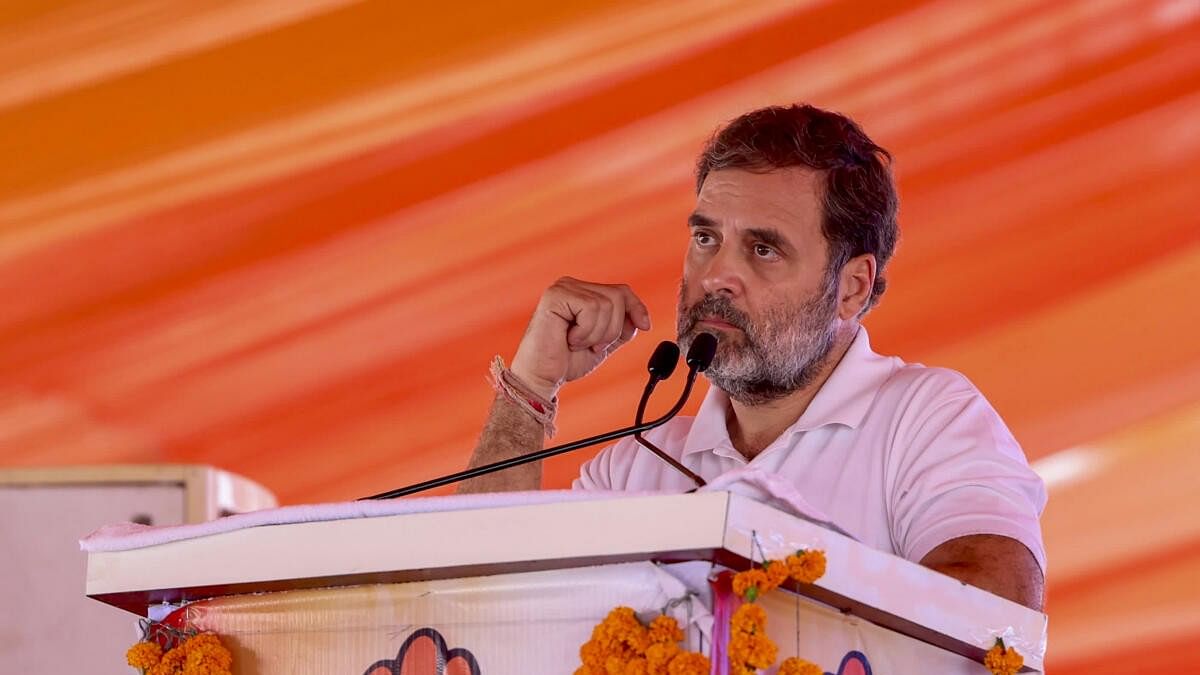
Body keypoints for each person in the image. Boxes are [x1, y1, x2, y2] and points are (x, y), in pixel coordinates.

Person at [460, 104, 1046, 610]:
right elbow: (480, 606)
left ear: (852, 288)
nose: (716, 277)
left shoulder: (925, 418)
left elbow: (996, 611)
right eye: (705, 238)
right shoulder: (637, 466)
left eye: (763, 249)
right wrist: (531, 386)